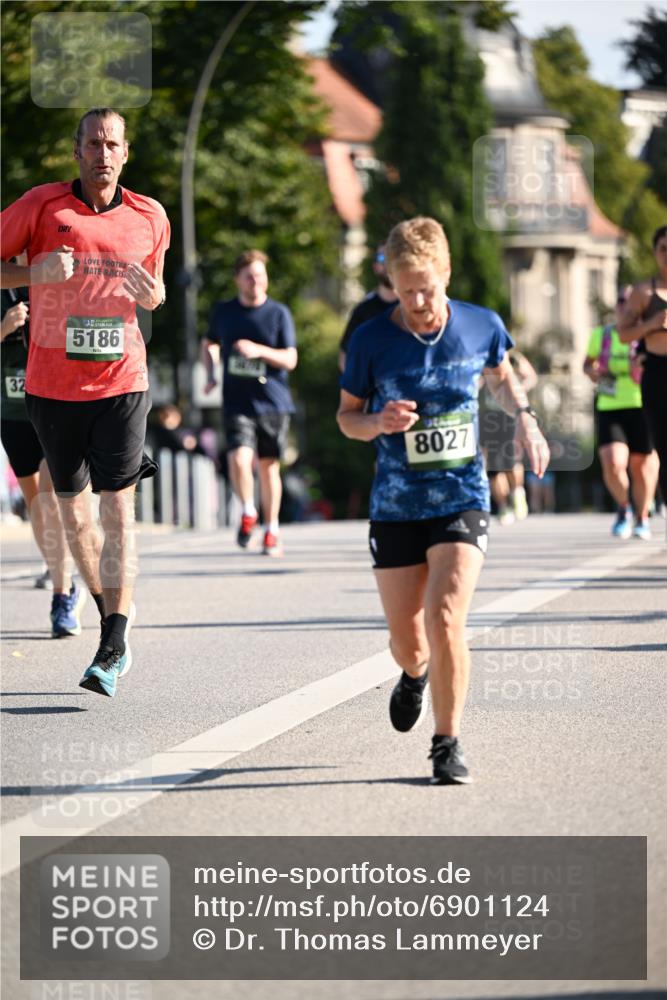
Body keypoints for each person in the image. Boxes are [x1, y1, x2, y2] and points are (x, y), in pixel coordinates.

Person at [337, 217, 549, 785]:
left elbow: (502, 376)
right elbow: (345, 418)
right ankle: (413, 674)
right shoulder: (372, 340)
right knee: (409, 643)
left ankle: (446, 742)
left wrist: (525, 421)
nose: (419, 301)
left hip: (462, 495)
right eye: (406, 291)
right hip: (396, 506)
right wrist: (377, 421)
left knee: (447, 615)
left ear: (446, 272)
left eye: (427, 287)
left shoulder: (481, 325)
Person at [0, 107, 170, 697]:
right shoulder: (42, 207)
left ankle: (114, 641)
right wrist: (34, 272)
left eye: (112, 143)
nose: (102, 152)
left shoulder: (151, 216)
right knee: (73, 515)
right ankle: (108, 621)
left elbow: (157, 287)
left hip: (123, 383)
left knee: (117, 510)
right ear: (77, 152)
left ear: (126, 154)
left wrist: (157, 295)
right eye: (93, 142)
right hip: (50, 387)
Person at [202, 250, 297, 556]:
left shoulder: (278, 313)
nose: (256, 281)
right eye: (249, 276)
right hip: (237, 401)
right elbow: (209, 343)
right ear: (238, 280)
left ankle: (272, 530)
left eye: (260, 275)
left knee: (269, 468)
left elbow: (290, 358)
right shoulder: (225, 312)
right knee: (240, 459)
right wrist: (211, 374)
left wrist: (258, 351)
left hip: (273, 403)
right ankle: (247, 510)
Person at [1, 283, 81, 633]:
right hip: (12, 411)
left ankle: (63, 596)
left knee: (50, 501)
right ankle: (58, 569)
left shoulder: (52, 279)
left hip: (52, 406)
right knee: (36, 507)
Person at [584, 289, 658, 540]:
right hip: (610, 405)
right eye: (620, 302)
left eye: (629, 303)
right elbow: (587, 362)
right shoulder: (602, 335)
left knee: (642, 467)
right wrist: (591, 371)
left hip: (642, 405)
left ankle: (642, 517)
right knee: (614, 463)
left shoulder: (648, 335)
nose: (624, 306)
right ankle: (624, 506)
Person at [617, 225, 667, 522]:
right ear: (655, 252)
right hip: (658, 374)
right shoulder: (643, 293)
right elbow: (623, 334)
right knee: (663, 444)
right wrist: (651, 325)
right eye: (664, 249)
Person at [480, 349, 537, 524]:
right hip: (488, 419)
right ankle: (503, 507)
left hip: (509, 418)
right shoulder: (476, 354)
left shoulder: (512, 357)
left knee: (511, 461)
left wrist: (516, 388)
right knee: (493, 468)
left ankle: (517, 492)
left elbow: (531, 377)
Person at [338, 244, 398, 372]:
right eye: (383, 258)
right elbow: (345, 356)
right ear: (375, 266)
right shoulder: (363, 310)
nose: (388, 264)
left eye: (393, 258)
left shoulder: (413, 307)